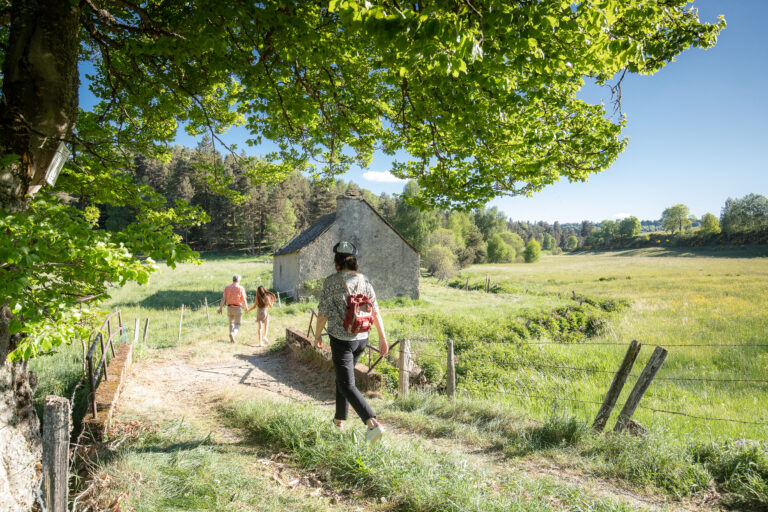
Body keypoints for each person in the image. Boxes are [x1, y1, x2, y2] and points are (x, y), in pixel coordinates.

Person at [314, 241, 388, 443]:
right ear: (355, 260)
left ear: (336, 261)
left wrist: (317, 335)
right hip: (362, 339)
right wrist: (382, 337)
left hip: (341, 340)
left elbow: (322, 314)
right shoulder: (365, 281)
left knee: (346, 384)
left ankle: (372, 423)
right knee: (342, 378)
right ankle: (339, 420)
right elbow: (375, 311)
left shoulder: (331, 282)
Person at [217, 274, 249, 343]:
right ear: (239, 280)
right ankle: (233, 334)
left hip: (229, 308)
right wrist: (246, 307)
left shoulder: (227, 288)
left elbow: (223, 299)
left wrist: (220, 308)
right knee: (238, 324)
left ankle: (231, 339)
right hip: (237, 308)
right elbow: (243, 299)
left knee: (231, 323)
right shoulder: (241, 288)